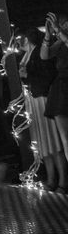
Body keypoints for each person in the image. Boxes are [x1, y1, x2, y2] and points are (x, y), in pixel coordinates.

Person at [20, 27, 66, 192]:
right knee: (44, 143)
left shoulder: (39, 52)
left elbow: (46, 74)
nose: (19, 42)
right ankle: (51, 177)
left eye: (21, 38)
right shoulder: (29, 54)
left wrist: (27, 76)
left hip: (43, 99)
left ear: (28, 39)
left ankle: (62, 180)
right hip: (34, 99)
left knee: (52, 142)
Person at [41, 12, 68, 167]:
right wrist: (47, 35)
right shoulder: (60, 40)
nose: (64, 26)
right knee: (65, 137)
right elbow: (45, 56)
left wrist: (58, 30)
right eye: (62, 23)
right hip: (62, 86)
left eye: (65, 23)